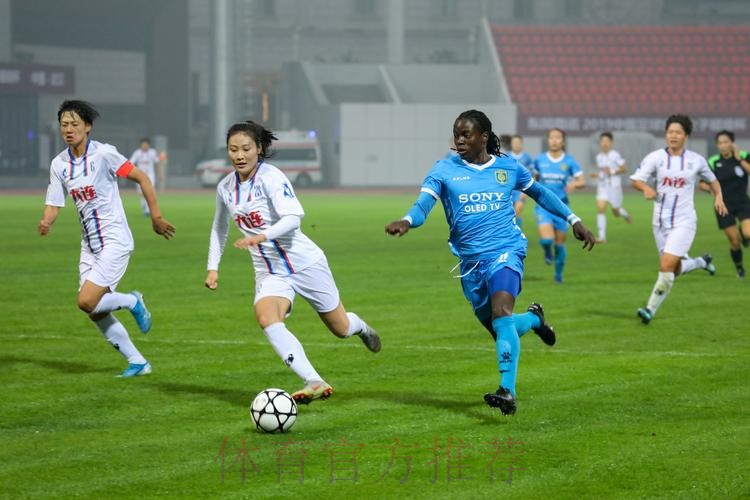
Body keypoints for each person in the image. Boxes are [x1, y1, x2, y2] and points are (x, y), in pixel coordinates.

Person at [385, 110, 595, 415]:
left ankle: (507, 391)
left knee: (501, 312)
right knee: (501, 327)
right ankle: (534, 320)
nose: (459, 140)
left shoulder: (508, 168)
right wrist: (406, 221)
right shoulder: (444, 170)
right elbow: (423, 205)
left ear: (483, 137)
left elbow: (540, 193)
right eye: (456, 134)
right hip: (470, 263)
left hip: (506, 251)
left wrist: (574, 220)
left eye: (466, 134)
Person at [205, 120, 381, 405]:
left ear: (259, 149)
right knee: (266, 317)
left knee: (341, 328)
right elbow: (219, 227)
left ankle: (359, 326)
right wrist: (213, 267)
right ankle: (314, 381)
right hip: (269, 271)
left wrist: (262, 236)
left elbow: (293, 218)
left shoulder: (271, 178)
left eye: (246, 148)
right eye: (233, 149)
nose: (239, 155)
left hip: (305, 263)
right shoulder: (225, 187)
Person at [38, 100, 175, 377]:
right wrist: (47, 221)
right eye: (64, 124)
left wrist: (156, 217)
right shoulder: (59, 164)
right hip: (89, 246)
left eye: (75, 124)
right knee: (95, 311)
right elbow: (54, 201)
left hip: (115, 240)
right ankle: (138, 362)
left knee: (86, 301)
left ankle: (132, 301)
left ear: (88, 127)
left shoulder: (104, 155)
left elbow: (143, 178)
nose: (68, 129)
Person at [631, 115, 727, 324]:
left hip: (684, 222)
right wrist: (645, 188)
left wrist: (718, 197)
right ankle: (701, 262)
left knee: (666, 265)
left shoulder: (696, 160)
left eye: (678, 132)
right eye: (670, 132)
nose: (673, 136)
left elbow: (713, 181)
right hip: (660, 222)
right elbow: (636, 180)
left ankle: (649, 310)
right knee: (673, 268)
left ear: (686, 136)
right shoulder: (656, 157)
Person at [533, 128, 586, 282]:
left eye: (557, 138)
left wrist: (575, 184)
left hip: (562, 208)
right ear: (548, 140)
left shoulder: (569, 161)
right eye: (551, 137)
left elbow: (582, 181)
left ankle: (558, 275)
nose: (554, 140)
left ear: (563, 141)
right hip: (543, 207)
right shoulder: (540, 160)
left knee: (559, 243)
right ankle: (547, 251)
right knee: (547, 240)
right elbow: (533, 180)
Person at [704, 130, 750, 278]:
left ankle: (744, 234)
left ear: (732, 143)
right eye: (720, 143)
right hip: (723, 205)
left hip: (743, 202)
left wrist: (739, 159)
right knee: (734, 241)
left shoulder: (743, 156)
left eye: (726, 142)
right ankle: (739, 268)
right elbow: (702, 183)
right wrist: (710, 189)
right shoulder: (713, 161)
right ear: (717, 145)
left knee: (748, 233)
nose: (723, 145)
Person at [590, 132, 632, 243]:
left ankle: (625, 215)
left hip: (614, 187)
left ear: (611, 143)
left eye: (607, 141)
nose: (605, 143)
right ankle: (602, 237)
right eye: (602, 141)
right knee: (601, 209)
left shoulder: (615, 155)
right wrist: (596, 175)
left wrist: (612, 171)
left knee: (615, 211)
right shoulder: (599, 157)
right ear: (600, 143)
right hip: (602, 186)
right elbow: (603, 172)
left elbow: (624, 168)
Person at [129, 138, 161, 216]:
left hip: (150, 175)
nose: (144, 146)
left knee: (149, 191)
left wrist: (160, 174)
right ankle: (144, 207)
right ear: (140, 145)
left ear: (148, 145)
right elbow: (130, 163)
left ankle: (147, 210)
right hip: (139, 175)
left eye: (146, 145)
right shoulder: (137, 153)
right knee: (142, 193)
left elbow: (157, 163)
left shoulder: (153, 152)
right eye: (143, 145)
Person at [508, 134, 534, 228]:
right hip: (509, 190)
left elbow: (533, 173)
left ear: (521, 143)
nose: (516, 144)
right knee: (509, 214)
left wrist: (528, 189)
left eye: (518, 142)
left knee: (517, 211)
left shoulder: (527, 157)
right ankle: (511, 232)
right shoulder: (506, 156)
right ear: (511, 144)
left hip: (521, 190)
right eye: (514, 142)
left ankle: (517, 232)